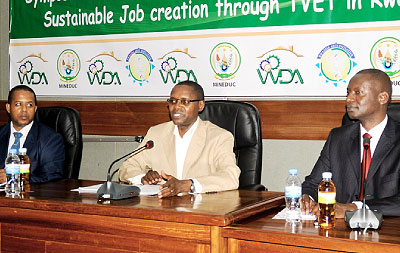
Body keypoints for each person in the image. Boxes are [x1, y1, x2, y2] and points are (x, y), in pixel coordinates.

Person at [302, 68, 400, 217]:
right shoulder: (338, 137)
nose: (348, 99)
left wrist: (355, 207)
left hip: (388, 231)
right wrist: (307, 198)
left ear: (382, 98)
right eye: (348, 93)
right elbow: (313, 184)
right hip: (341, 231)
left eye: (357, 92)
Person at [119, 80, 240, 198]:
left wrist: (188, 185)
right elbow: (127, 167)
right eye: (173, 101)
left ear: (200, 105)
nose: (177, 107)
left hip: (201, 210)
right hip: (163, 208)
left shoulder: (219, 137)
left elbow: (230, 176)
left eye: (185, 102)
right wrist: (143, 178)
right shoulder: (156, 133)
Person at [0, 85, 65, 183]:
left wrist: (15, 179)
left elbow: (52, 177)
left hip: (30, 196)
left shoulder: (50, 139)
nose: (24, 110)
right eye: (18, 104)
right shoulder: (1, 133)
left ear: (35, 109)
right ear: (8, 108)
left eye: (29, 105)